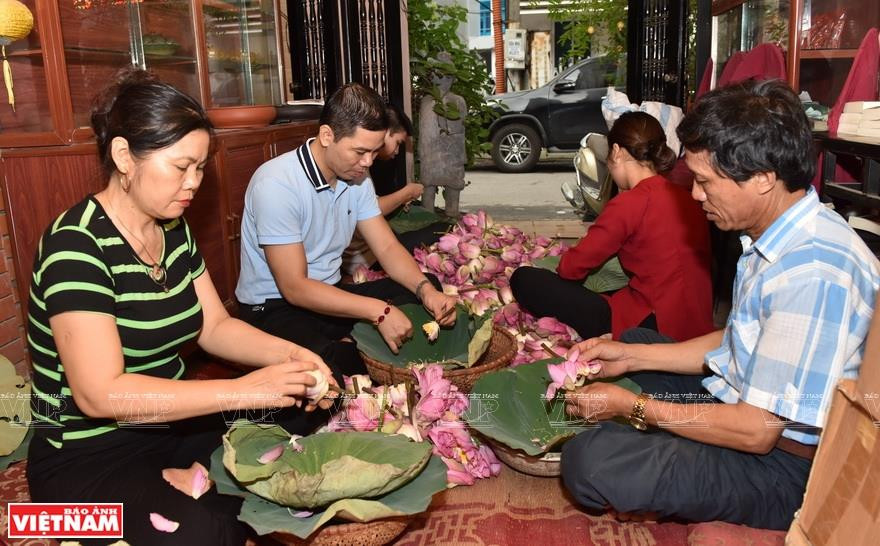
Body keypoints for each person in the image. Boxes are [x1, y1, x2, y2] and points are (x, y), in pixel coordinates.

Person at [26, 69, 336, 545]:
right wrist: (241, 392)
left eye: (200, 167)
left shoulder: (171, 228)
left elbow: (214, 327)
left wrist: (291, 358)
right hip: (82, 461)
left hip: (167, 425)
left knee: (305, 399)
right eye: (180, 167)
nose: (193, 183)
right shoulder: (76, 247)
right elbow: (100, 396)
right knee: (206, 529)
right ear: (124, 156)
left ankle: (195, 480)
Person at [559, 79, 880, 530]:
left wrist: (631, 408)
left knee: (590, 461)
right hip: (743, 404)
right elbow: (739, 341)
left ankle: (642, 437)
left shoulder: (812, 273)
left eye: (706, 182)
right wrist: (629, 355)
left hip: (787, 467)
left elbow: (756, 431)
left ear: (764, 178)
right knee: (634, 342)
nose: (694, 195)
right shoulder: (772, 234)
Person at [235, 82, 457, 381]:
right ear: (327, 135)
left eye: (375, 151)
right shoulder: (277, 184)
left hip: (330, 295)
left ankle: (362, 351)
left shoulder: (357, 178)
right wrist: (378, 311)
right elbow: (295, 288)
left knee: (423, 285)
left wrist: (426, 291)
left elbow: (388, 248)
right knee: (322, 377)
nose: (367, 163)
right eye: (360, 151)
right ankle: (355, 354)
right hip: (275, 307)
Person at [510, 111, 714, 342]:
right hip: (697, 323)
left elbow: (570, 268)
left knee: (524, 279)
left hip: (653, 327)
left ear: (616, 151)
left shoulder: (630, 203)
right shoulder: (688, 197)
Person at [343, 102, 450, 275]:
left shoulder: (362, 162)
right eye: (398, 142)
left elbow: (367, 206)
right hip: (365, 259)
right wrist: (406, 193)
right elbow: (372, 209)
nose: (398, 151)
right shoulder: (355, 165)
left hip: (372, 246)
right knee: (443, 230)